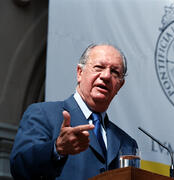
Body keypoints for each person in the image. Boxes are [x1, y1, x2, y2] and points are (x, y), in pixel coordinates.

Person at [10, 44, 138, 180]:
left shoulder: (127, 144)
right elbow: (19, 167)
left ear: (120, 85)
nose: (106, 76)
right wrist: (56, 148)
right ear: (79, 73)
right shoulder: (43, 114)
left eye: (115, 72)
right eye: (99, 67)